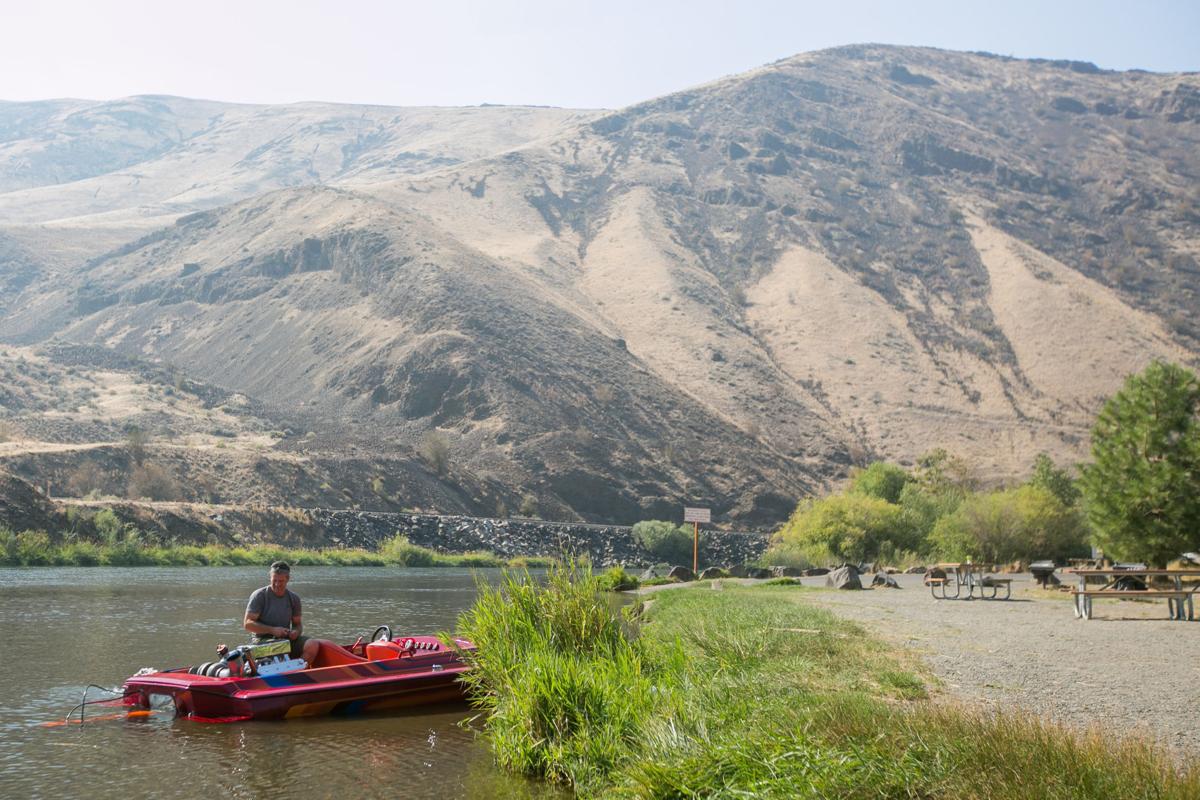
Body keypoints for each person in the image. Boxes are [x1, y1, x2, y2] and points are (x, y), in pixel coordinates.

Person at [243, 561, 330, 667]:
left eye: (281, 581)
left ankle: (298, 670)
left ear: (288, 579)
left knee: (312, 644)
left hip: (284, 640)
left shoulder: (294, 599)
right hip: (261, 640)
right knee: (278, 647)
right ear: (270, 578)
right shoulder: (259, 596)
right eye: (274, 580)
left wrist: (295, 632)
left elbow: (297, 624)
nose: (277, 584)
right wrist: (272, 630)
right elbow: (248, 624)